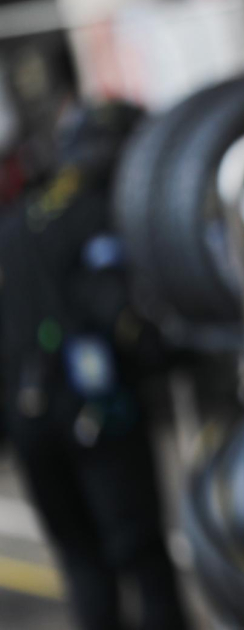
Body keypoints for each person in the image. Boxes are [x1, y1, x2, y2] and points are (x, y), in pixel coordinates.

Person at [0, 101, 188, 630]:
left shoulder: (16, 225)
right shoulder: (100, 212)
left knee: (84, 567)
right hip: (99, 416)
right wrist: (170, 351)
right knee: (143, 558)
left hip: (30, 424)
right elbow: (120, 313)